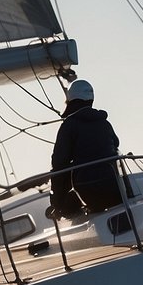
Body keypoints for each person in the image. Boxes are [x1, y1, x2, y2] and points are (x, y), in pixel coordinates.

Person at [49, 79, 123, 217]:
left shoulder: (69, 125)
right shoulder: (104, 122)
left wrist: (57, 202)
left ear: (71, 99)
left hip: (87, 189)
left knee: (66, 203)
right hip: (113, 186)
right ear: (91, 99)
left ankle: (64, 212)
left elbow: (59, 163)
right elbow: (116, 144)